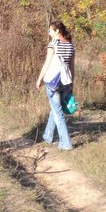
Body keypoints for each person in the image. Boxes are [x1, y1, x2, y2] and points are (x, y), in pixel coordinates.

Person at [35, 21, 75, 151]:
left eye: (51, 30)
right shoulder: (71, 46)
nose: (49, 32)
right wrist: (71, 84)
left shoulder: (53, 44)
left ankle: (66, 143)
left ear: (57, 31)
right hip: (65, 82)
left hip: (53, 82)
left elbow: (46, 64)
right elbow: (72, 68)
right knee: (56, 108)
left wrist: (39, 79)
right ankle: (48, 136)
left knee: (58, 113)